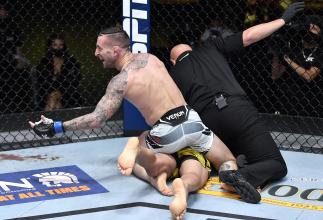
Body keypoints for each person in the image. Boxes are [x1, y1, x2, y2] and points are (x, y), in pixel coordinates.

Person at [29, 26, 260, 203]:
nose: (96, 52)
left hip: (166, 132)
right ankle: (230, 177)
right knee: (228, 160)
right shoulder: (153, 58)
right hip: (192, 122)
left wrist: (57, 126)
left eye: (100, 48)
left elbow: (97, 119)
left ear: (116, 50)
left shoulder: (121, 81)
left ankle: (152, 172)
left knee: (142, 140)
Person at [168, 2, 304, 195]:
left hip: (207, 124)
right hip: (235, 109)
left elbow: (175, 110)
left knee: (229, 149)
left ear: (173, 61)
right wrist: (282, 19)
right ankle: (240, 175)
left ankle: (232, 164)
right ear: (191, 49)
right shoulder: (210, 47)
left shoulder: (173, 74)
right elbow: (249, 36)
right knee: (275, 164)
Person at [123, 137, 214, 220]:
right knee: (193, 174)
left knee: (154, 163)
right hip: (191, 150)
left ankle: (140, 152)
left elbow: (145, 136)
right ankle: (184, 185)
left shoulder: (162, 125)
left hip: (167, 147)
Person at [35, 33, 81, 111]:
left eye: (61, 45)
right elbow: (43, 81)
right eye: (55, 45)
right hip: (47, 92)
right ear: (50, 46)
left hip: (68, 92)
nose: (58, 48)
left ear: (64, 46)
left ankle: (47, 122)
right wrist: (55, 90)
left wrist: (58, 89)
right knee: (54, 98)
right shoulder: (45, 61)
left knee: (54, 97)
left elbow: (73, 80)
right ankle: (58, 121)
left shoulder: (71, 61)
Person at [271, 15, 323, 81]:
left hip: (311, 89)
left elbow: (309, 76)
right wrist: (277, 55)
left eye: (314, 28)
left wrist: (288, 59)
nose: (310, 31)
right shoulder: (294, 43)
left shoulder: (320, 51)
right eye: (308, 28)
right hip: (289, 86)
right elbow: (275, 75)